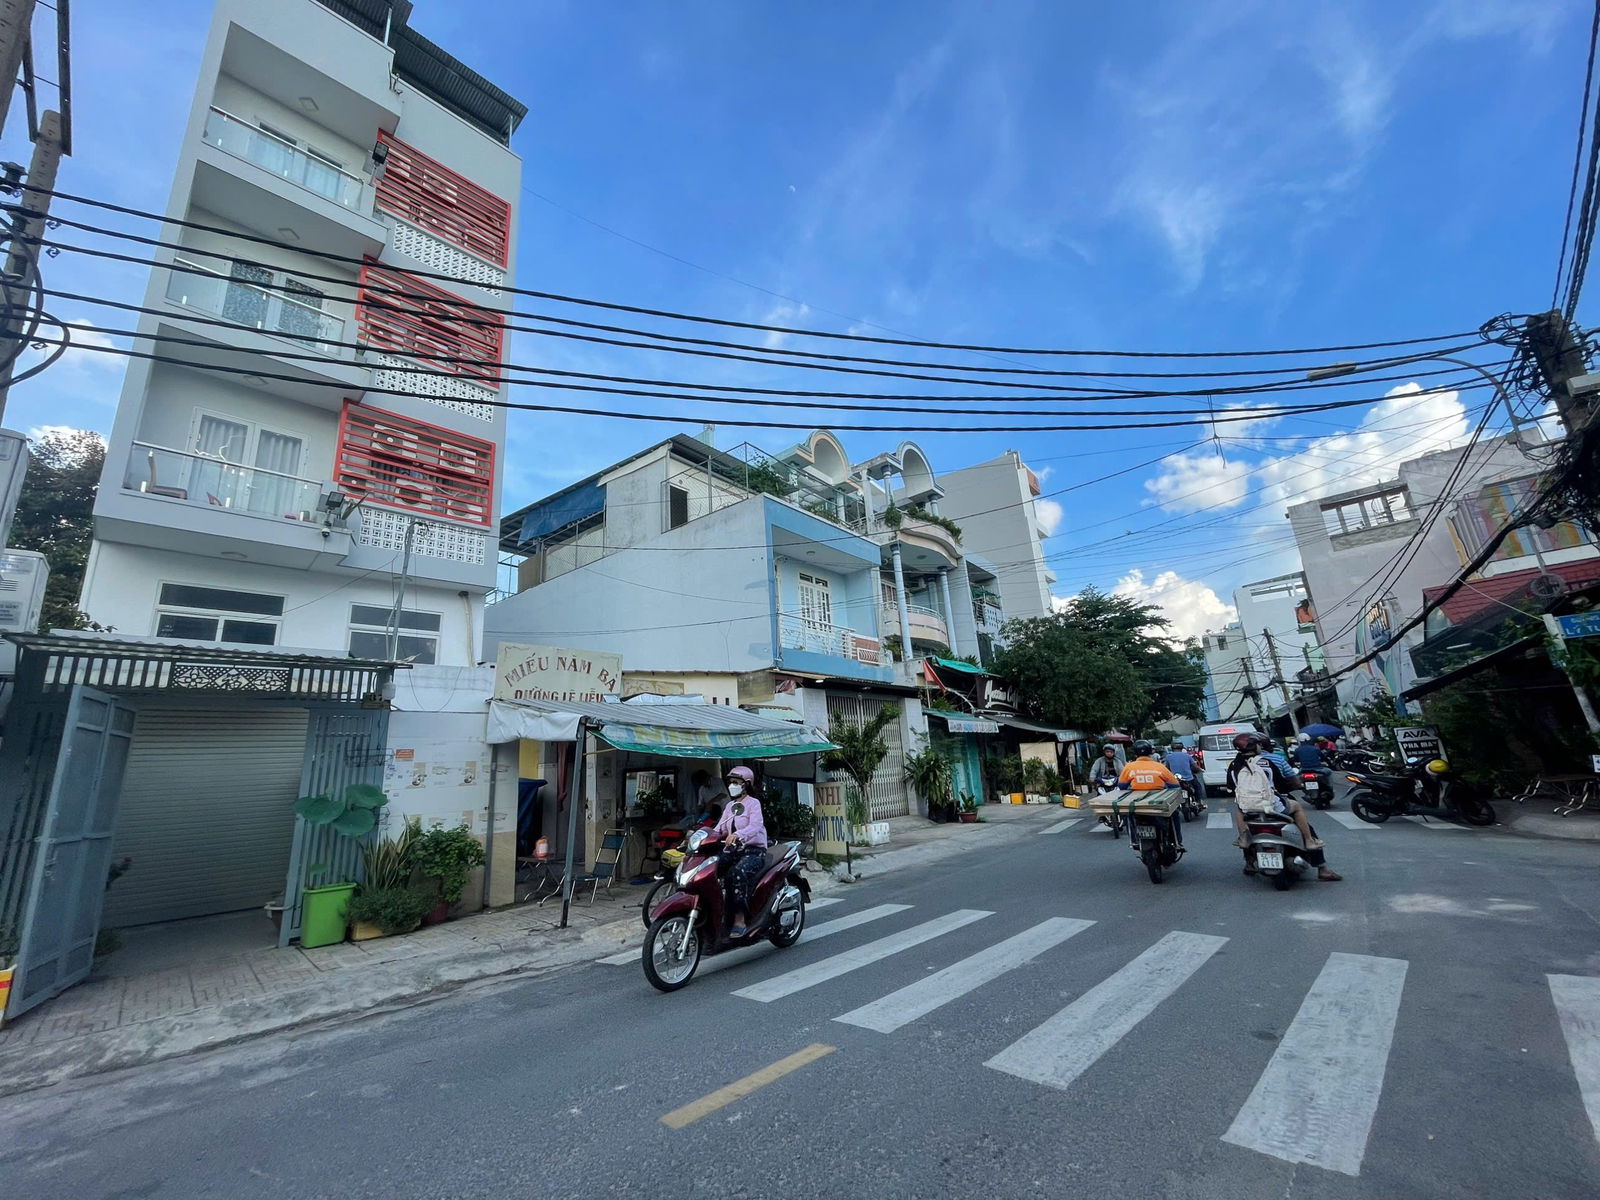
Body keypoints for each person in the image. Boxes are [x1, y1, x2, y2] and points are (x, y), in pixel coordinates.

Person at [1229, 734, 1341, 882]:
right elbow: (1281, 785)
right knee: (1297, 808)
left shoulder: (1234, 765)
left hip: (1248, 809)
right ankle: (1315, 853)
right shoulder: (1268, 762)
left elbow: (1231, 787)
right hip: (1272, 805)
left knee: (1238, 809)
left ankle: (1247, 851)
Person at [711, 766, 768, 937]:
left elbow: (756, 826)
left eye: (736, 782)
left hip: (753, 850)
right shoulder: (730, 806)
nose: (732, 786)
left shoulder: (753, 803)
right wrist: (701, 835)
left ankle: (739, 918)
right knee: (711, 869)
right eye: (731, 782)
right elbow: (720, 828)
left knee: (737, 873)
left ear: (746, 784)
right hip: (733, 850)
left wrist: (738, 834)